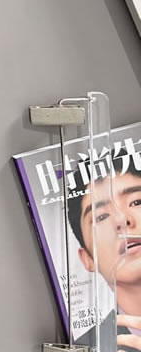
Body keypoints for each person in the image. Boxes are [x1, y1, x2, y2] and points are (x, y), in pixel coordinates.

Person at [67, 150, 141, 351]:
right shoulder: (87, 347)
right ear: (87, 258)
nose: (122, 221)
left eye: (137, 202)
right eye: (101, 217)